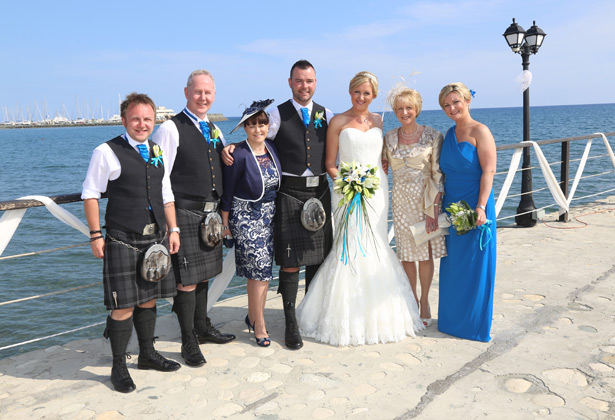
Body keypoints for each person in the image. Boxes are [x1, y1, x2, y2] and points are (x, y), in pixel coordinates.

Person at [296, 72, 424, 346]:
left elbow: (382, 155)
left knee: (376, 243)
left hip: (377, 192)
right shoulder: (338, 122)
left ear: (374, 96)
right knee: (350, 246)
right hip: (347, 192)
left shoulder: (378, 120)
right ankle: (344, 316)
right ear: (350, 92)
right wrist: (346, 182)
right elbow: (330, 163)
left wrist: (385, 166)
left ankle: (379, 314)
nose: (361, 97)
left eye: (366, 93)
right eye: (357, 92)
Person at [222, 60, 334, 350]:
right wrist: (231, 148)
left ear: (315, 82)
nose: (304, 86)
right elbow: (256, 141)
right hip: (290, 195)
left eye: (309, 81)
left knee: (318, 262)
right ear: (290, 82)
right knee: (289, 263)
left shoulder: (328, 115)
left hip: (320, 192)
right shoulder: (276, 114)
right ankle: (290, 324)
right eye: (298, 81)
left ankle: (310, 317)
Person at [82, 93, 181, 393]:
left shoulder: (156, 150)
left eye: (147, 119)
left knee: (149, 298)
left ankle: (147, 354)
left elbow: (166, 194)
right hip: (122, 239)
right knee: (122, 305)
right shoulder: (106, 151)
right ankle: (118, 366)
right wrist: (95, 234)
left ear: (154, 121)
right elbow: (90, 194)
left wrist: (173, 229)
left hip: (155, 238)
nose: (142, 124)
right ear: (124, 120)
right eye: (135, 119)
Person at [153, 69, 235, 368]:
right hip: (185, 214)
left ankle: (202, 327)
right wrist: (170, 223)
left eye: (208, 92)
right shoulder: (170, 129)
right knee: (186, 282)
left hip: (209, 215)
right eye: (198, 92)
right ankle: (188, 340)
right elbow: (160, 179)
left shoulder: (212, 128)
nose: (203, 97)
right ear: (186, 93)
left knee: (202, 276)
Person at [382, 86, 447, 327]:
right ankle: (411, 299)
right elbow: (379, 163)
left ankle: (425, 301)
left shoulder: (433, 135)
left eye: (408, 107)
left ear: (417, 108)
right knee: (406, 254)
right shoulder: (388, 137)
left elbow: (437, 174)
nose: (404, 112)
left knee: (426, 254)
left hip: (425, 201)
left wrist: (434, 208)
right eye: (399, 108)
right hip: (399, 202)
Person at [437, 82, 497, 342]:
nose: (452, 108)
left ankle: (473, 325)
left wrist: (481, 207)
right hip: (451, 207)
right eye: (446, 105)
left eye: (455, 102)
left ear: (467, 101)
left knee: (475, 264)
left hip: (476, 206)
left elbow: (489, 171)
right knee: (453, 265)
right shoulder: (448, 134)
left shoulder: (480, 131)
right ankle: (451, 321)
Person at [220, 100, 282, 347]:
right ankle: (260, 325)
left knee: (261, 274)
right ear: (245, 128)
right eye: (253, 125)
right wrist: (226, 225)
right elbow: (228, 192)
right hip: (245, 217)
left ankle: (253, 316)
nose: (258, 129)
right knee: (261, 271)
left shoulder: (272, 149)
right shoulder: (238, 154)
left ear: (268, 125)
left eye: (262, 124)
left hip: (269, 216)